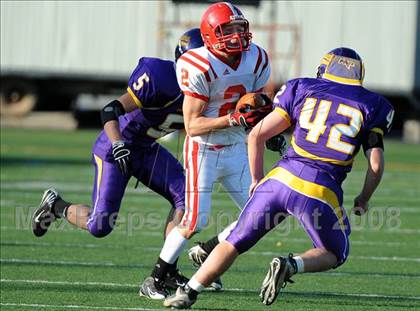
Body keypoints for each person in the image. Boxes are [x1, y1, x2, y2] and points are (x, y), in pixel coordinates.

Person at [163, 47, 395, 309]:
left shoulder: (302, 88)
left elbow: (256, 135)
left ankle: (188, 291)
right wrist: (364, 199)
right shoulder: (373, 105)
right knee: (336, 252)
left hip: (279, 179)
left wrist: (256, 178)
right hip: (320, 190)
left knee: (234, 242)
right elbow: (375, 164)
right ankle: (291, 264)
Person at [31, 28, 204, 292]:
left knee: (187, 197)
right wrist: (118, 144)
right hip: (116, 148)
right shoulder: (160, 77)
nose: (210, 66)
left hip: (146, 148)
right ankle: (57, 206)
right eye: (204, 59)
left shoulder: (210, 87)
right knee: (100, 226)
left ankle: (167, 271)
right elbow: (110, 109)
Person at [140, 1, 272, 299]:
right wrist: (233, 118)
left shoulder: (257, 58)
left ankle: (209, 249)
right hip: (204, 150)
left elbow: (258, 101)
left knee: (264, 212)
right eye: (228, 30)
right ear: (211, 34)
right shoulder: (198, 64)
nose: (237, 36)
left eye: (240, 28)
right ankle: (155, 279)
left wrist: (265, 123)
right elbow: (193, 125)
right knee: (193, 220)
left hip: (238, 146)